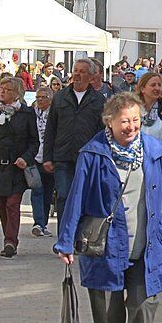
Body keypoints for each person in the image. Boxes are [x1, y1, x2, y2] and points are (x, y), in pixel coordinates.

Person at [55, 93, 162, 323]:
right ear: (109, 122)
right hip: (105, 248)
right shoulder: (93, 153)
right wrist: (65, 242)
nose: (131, 126)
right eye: (124, 121)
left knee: (143, 307)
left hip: (146, 246)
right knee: (107, 312)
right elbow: (75, 199)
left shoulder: (156, 151)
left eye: (136, 120)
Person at [0, 77, 39, 258]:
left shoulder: (27, 114)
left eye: (6, 89)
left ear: (16, 93)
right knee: (1, 204)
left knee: (13, 204)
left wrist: (25, 158)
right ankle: (8, 236)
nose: (2, 92)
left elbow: (34, 142)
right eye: (1, 89)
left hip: (16, 169)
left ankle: (10, 241)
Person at [44, 59, 105, 230]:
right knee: (63, 195)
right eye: (75, 70)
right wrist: (47, 157)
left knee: (84, 197)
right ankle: (64, 237)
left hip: (87, 158)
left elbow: (102, 133)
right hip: (62, 156)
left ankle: (80, 235)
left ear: (91, 76)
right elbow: (51, 129)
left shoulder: (98, 100)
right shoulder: (60, 97)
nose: (77, 74)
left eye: (82, 71)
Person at [30, 86, 56, 238]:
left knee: (47, 192)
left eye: (43, 97)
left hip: (50, 158)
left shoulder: (54, 114)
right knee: (37, 189)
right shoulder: (31, 113)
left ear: (50, 99)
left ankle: (43, 224)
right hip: (34, 158)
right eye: (38, 97)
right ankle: (38, 223)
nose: (39, 100)